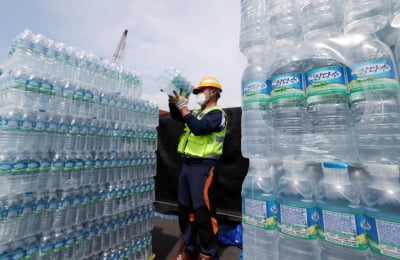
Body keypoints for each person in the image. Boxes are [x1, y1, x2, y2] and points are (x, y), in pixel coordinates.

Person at [167, 76, 227, 260]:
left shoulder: (217, 114)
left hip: (203, 167)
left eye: (201, 91)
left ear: (213, 92)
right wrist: (173, 99)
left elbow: (200, 128)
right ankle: (189, 249)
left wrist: (184, 107)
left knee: (203, 212)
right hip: (187, 165)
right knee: (185, 210)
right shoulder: (197, 113)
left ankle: (207, 253)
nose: (199, 95)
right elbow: (178, 115)